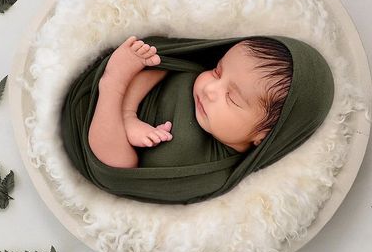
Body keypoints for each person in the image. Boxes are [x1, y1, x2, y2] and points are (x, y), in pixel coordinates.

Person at [88, 35, 293, 168]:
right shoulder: (196, 78)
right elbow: (166, 64)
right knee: (166, 65)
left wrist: (116, 92)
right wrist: (127, 114)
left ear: (263, 136)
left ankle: (111, 86)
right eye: (217, 71)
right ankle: (119, 90)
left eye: (232, 97)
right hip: (124, 98)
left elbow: (124, 179)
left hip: (105, 143)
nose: (211, 89)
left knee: (120, 162)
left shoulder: (213, 167)